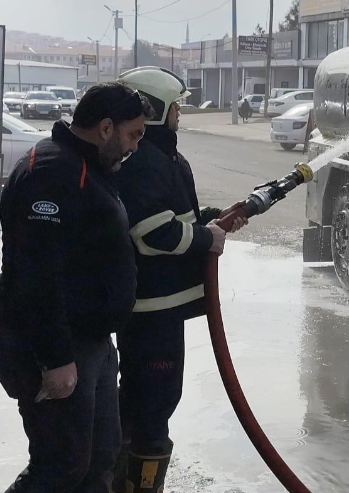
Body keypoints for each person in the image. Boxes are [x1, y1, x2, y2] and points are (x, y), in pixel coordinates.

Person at [0, 82, 150, 492]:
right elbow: (36, 275)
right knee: (60, 467)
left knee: (98, 459)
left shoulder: (90, 168)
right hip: (53, 344)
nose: (135, 146)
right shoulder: (53, 172)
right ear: (107, 128)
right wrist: (56, 358)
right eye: (133, 135)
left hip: (91, 341)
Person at [113, 67, 246, 492]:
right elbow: (152, 234)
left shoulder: (164, 155)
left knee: (146, 398)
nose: (180, 114)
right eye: (175, 107)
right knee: (154, 402)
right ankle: (136, 482)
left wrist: (209, 219)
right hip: (153, 308)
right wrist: (206, 238)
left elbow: (175, 216)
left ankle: (117, 477)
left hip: (165, 307)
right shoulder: (144, 161)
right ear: (156, 110)